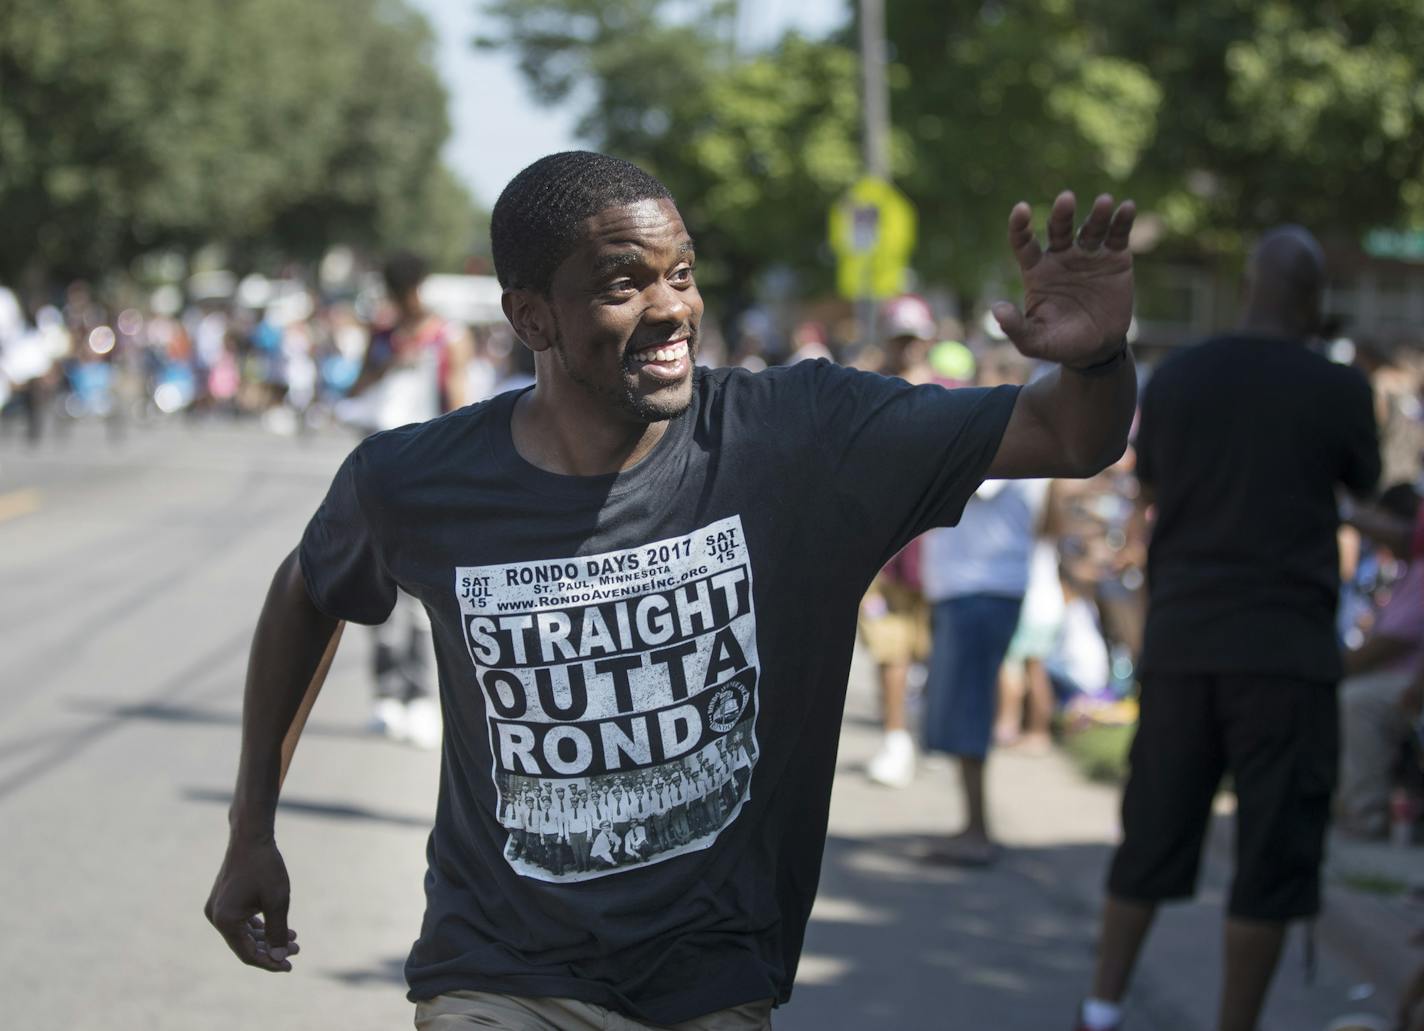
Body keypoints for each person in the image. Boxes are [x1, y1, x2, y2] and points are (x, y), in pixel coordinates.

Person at [205, 151, 1138, 1029]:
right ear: (530, 318)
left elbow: (1066, 438)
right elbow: (308, 588)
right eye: (624, 283)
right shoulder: (416, 479)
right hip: (498, 968)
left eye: (681, 274)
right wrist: (252, 825)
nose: (670, 308)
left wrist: (1095, 358)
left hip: (708, 981)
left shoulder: (801, 439)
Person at [1076, 226, 1381, 1031]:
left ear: (1247, 287)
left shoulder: (1178, 380)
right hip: (1288, 652)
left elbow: (1153, 489)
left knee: (1150, 836)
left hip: (1185, 644)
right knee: (1273, 858)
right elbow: (1365, 489)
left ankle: (1101, 1008)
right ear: (1313, 300)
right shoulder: (1339, 388)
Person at [920, 347, 1048, 865]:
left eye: (990, 378)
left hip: (980, 590)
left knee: (970, 706)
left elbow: (969, 483)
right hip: (974, 588)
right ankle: (971, 826)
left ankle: (977, 831)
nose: (976, 386)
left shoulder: (1006, 441)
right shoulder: (1015, 437)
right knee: (963, 706)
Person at [346, 251, 474, 749]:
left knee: (420, 594)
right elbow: (356, 388)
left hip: (429, 473)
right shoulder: (380, 336)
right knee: (377, 590)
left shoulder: (449, 338)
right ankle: (386, 694)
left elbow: (459, 404)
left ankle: (420, 697)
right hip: (378, 471)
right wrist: (384, 365)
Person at [860, 294, 938, 787]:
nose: (906, 347)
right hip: (878, 550)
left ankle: (909, 732)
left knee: (920, 650)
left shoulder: (945, 391)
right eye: (899, 337)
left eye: (914, 338)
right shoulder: (865, 389)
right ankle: (895, 736)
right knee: (889, 650)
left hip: (932, 549)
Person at [1338, 484, 1424, 839]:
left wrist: (1332, 671)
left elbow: (1391, 642)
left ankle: (1366, 817)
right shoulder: (1410, 569)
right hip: (1402, 678)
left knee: (1357, 700)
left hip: (1407, 682)